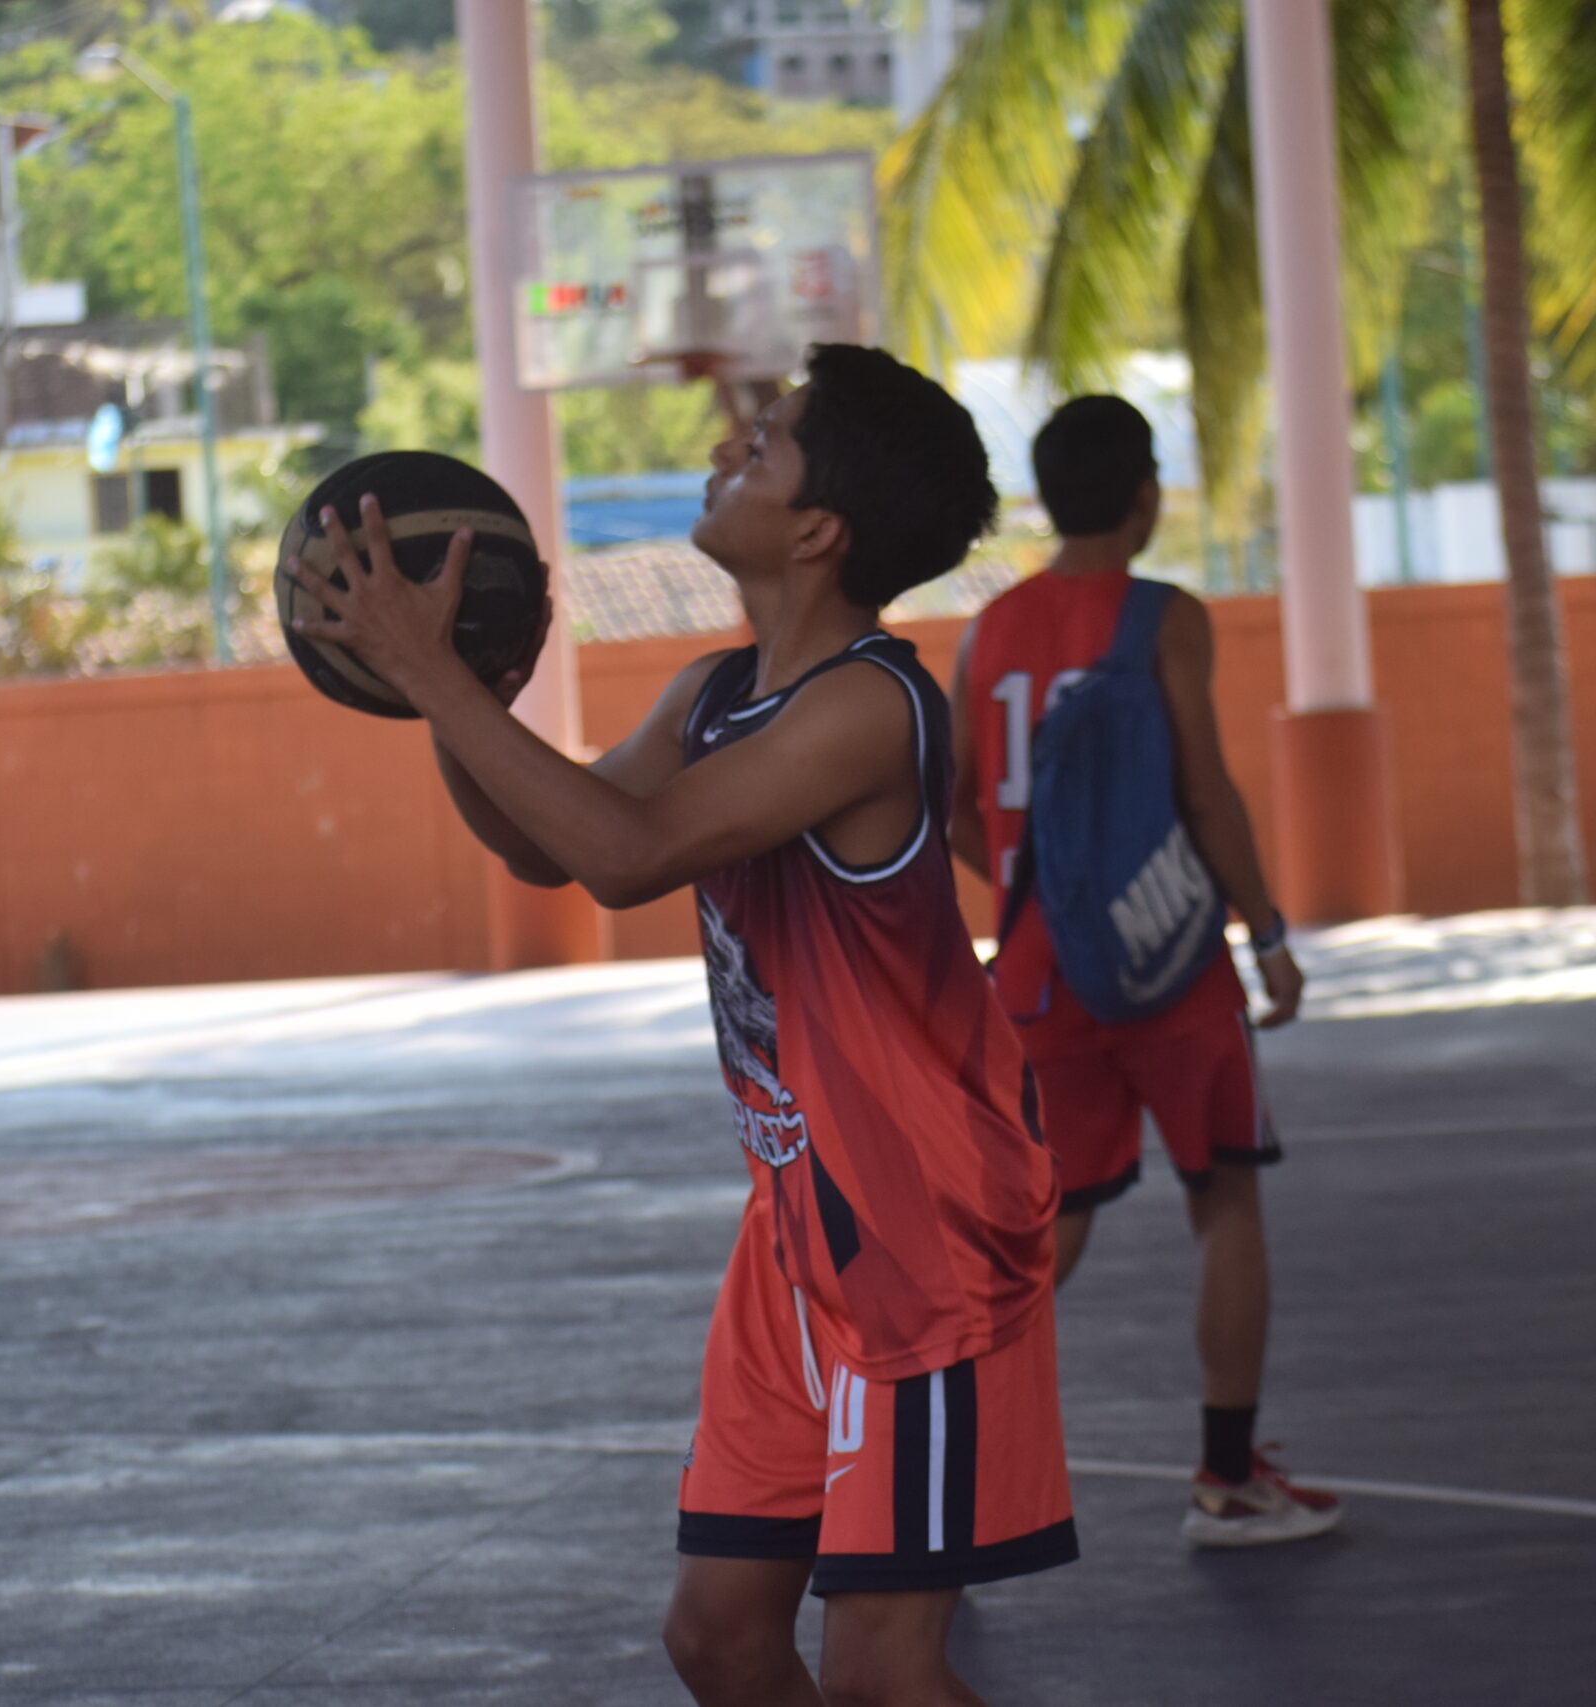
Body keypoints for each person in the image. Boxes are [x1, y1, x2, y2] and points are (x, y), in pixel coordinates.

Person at [288, 344, 1074, 1706]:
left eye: (760, 449)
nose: (725, 454)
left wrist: (442, 678)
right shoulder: (713, 695)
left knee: (887, 1671)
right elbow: (549, 844)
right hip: (797, 1230)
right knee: (716, 1635)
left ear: (818, 529)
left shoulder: (870, 708)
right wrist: (454, 684)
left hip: (921, 1235)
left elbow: (629, 854)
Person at [949, 394, 1340, 1549]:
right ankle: (1226, 1481)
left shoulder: (991, 628)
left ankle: (936, 1477)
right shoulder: (1164, 616)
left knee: (1045, 1225)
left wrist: (1030, 882)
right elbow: (1204, 793)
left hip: (1036, 970)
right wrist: (1263, 933)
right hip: (1168, 964)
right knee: (1222, 1198)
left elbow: (958, 807)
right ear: (1143, 495)